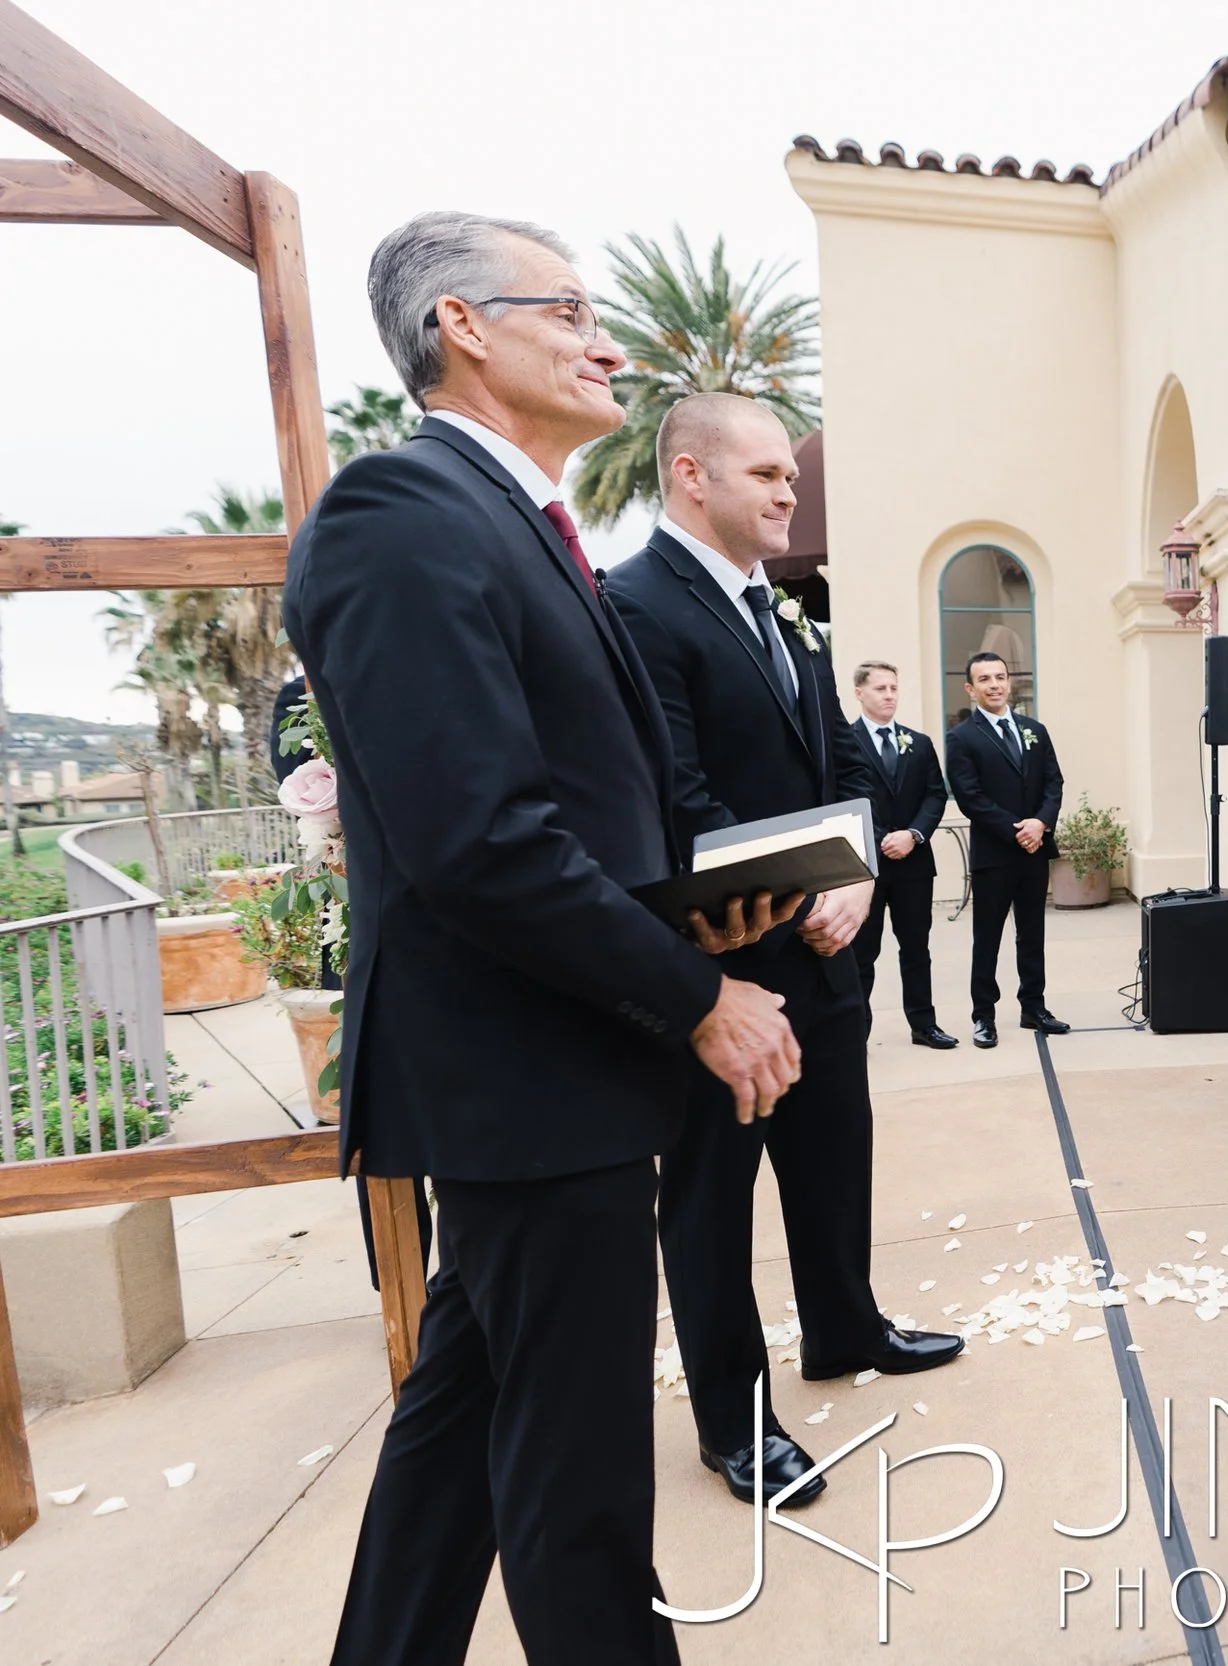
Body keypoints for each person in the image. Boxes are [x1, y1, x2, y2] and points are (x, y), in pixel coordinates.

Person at [287, 211, 803, 1665]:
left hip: (554, 1072)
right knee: (579, 1490)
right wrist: (695, 994)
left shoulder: (521, 525)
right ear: (461, 324)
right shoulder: (399, 514)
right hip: (524, 1079)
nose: (606, 343)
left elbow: (578, 805)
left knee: (457, 1437)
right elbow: (480, 840)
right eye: (569, 309)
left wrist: (711, 904)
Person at [604, 394, 963, 1512]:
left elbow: (847, 764)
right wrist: (809, 890)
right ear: (690, 475)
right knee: (712, 1201)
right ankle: (734, 1421)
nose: (787, 491)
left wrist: (856, 877)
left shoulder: (789, 615)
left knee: (834, 1155)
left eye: (788, 476)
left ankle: (846, 1328)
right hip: (721, 970)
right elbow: (676, 800)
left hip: (826, 956)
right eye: (764, 473)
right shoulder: (633, 606)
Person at [945, 651, 1067, 1047]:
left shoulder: (1035, 730)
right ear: (971, 688)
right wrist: (1017, 831)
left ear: (1009, 682)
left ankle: (1034, 1007)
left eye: (999, 676)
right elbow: (970, 797)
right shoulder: (961, 737)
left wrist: (1040, 824)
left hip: (1035, 850)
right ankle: (984, 1016)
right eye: (984, 679)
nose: (994, 684)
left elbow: (1054, 782)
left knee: (1032, 934)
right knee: (987, 939)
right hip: (995, 854)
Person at [849, 659, 955, 1049]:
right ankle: (855, 1032)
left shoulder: (920, 743)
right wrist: (881, 839)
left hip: (914, 864)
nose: (889, 695)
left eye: (894, 688)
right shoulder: (844, 741)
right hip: (867, 866)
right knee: (861, 953)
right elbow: (843, 796)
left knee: (916, 949)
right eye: (881, 688)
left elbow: (935, 794)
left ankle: (924, 1025)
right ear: (860, 693)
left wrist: (913, 834)